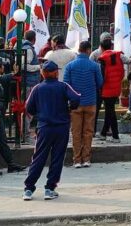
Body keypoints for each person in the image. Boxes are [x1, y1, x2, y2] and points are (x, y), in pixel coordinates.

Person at [23, 61, 81, 201]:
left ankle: (29, 189)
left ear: (43, 74)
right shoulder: (63, 86)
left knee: (39, 157)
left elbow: (29, 107)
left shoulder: (37, 88)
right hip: (61, 127)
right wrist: (69, 109)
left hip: (44, 127)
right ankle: (49, 189)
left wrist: (40, 113)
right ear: (55, 73)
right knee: (57, 158)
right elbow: (76, 98)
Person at [64, 40, 103, 168]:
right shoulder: (95, 66)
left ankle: (77, 160)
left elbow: (66, 84)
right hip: (91, 102)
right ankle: (86, 158)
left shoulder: (70, 66)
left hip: (75, 103)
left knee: (76, 132)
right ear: (88, 50)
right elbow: (100, 83)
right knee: (88, 131)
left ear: (79, 50)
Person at [97, 37, 126, 143]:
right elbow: (122, 73)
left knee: (110, 112)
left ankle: (115, 135)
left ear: (101, 48)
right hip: (116, 87)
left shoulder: (103, 59)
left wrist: (100, 87)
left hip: (106, 89)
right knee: (110, 111)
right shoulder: (118, 57)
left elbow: (102, 76)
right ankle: (104, 133)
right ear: (111, 46)